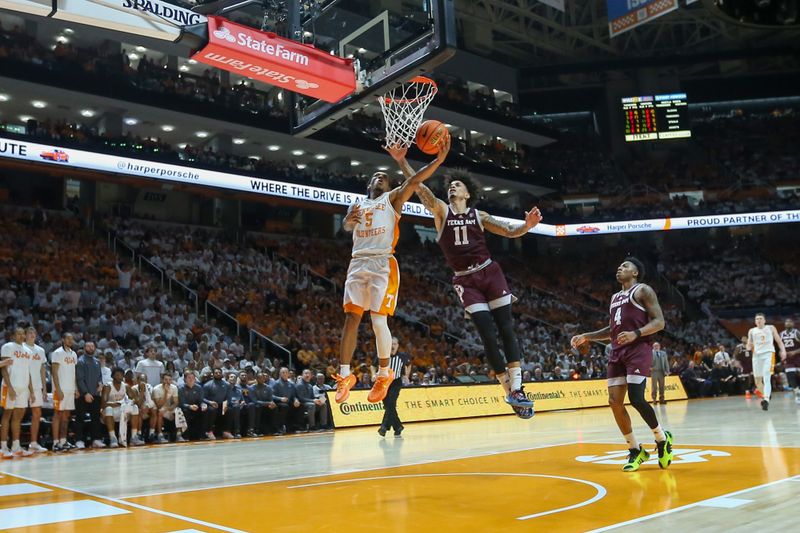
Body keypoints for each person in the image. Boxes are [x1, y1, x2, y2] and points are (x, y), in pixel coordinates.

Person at [410, 172, 540, 417]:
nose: (452, 188)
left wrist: (527, 226)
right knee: (487, 335)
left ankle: (518, 388)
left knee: (506, 329)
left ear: (467, 193)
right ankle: (508, 391)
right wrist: (401, 161)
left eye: (457, 185)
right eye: (449, 186)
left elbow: (509, 231)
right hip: (465, 280)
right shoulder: (441, 211)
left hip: (489, 273)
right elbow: (419, 187)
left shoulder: (479, 216)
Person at [333, 139, 450, 406]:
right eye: (377, 177)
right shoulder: (356, 205)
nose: (380, 179)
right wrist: (346, 223)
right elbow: (347, 228)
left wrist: (436, 162)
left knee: (377, 321)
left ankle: (384, 374)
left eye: (385, 178)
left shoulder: (392, 199)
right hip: (357, 262)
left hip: (382, 264)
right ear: (368, 185)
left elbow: (414, 182)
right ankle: (345, 375)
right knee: (351, 320)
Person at [571, 258, 674, 472]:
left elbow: (659, 322)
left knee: (636, 398)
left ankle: (661, 439)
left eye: (625, 266)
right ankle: (636, 450)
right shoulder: (615, 297)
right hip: (618, 352)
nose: (620, 268)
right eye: (618, 266)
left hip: (638, 349)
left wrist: (636, 333)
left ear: (636, 273)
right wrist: (587, 336)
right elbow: (613, 331)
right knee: (614, 401)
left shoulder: (643, 290)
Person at [1, 327, 33, 457]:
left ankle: (16, 445)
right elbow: (3, 369)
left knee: (18, 417)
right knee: (7, 415)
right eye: (18, 334)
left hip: (23, 387)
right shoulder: (8, 347)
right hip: (10, 386)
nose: (21, 336)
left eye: (22, 334)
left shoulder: (28, 351)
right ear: (13, 336)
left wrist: (31, 390)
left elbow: (28, 371)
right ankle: (3, 447)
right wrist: (10, 387)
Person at [746, 313, 786, 411]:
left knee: (766, 377)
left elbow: (779, 341)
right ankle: (767, 395)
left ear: (764, 320)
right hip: (756, 356)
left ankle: (766, 400)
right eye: (757, 319)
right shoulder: (752, 331)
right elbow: (748, 345)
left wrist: (783, 350)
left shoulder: (771, 328)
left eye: (760, 318)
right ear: (755, 321)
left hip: (768, 354)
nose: (758, 320)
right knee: (758, 381)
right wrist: (749, 346)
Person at [75, 341, 106, 449]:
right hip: (84, 395)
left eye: (92, 346)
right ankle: (79, 440)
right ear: (84, 348)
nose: (91, 347)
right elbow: (79, 379)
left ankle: (96, 439)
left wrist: (100, 383)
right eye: (88, 346)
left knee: (95, 418)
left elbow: (99, 376)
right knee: (80, 418)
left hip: (96, 394)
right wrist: (86, 393)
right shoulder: (80, 361)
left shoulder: (97, 362)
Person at [51, 332, 79, 452]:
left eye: (71, 339)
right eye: (67, 338)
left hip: (70, 389)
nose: (69, 340)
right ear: (63, 339)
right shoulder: (57, 353)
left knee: (66, 416)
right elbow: (54, 373)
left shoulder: (74, 354)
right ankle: (55, 442)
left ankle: (63, 441)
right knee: (58, 415)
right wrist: (58, 389)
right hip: (60, 389)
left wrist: (76, 388)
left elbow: (74, 373)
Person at [379, 336, 411, 437]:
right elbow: (373, 365)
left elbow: (408, 364)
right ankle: (398, 426)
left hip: (396, 382)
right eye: (391, 344)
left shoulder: (402, 356)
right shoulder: (383, 355)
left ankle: (384, 427)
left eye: (394, 344)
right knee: (388, 405)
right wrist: (372, 374)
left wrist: (406, 376)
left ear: (397, 346)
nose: (392, 346)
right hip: (384, 383)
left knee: (391, 403)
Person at [101, 367, 141, 447]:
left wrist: (131, 402)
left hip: (121, 410)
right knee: (108, 409)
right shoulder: (107, 386)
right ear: (112, 376)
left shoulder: (126, 386)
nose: (120, 377)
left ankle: (134, 437)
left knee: (135, 407)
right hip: (110, 411)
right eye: (117, 375)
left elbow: (135, 399)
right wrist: (115, 404)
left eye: (121, 375)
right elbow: (103, 404)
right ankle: (113, 438)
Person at [23, 327, 48, 452]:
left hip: (37, 386)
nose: (32, 335)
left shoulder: (40, 350)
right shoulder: (21, 349)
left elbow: (42, 370)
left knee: (37, 413)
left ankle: (33, 443)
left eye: (34, 333)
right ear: (25, 335)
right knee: (17, 413)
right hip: (22, 385)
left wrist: (44, 388)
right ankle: (11, 444)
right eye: (30, 333)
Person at [779, 318, 800, 403]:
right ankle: (797, 392)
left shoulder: (797, 333)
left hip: (798, 357)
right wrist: (781, 353)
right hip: (788, 359)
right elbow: (780, 348)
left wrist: (794, 352)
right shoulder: (781, 334)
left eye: (790, 321)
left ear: (793, 324)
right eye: (786, 322)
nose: (788, 323)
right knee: (790, 376)